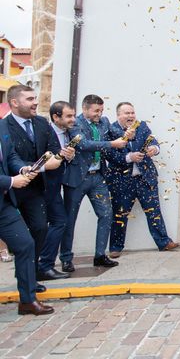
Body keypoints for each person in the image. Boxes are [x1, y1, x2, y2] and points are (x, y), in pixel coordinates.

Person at [2, 85, 64, 293]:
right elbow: (10, 156)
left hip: (34, 188)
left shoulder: (41, 122)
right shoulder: (4, 126)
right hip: (9, 188)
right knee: (20, 238)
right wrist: (26, 171)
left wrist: (60, 156)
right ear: (15, 103)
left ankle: (29, 272)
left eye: (35, 98)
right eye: (29, 99)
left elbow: (53, 148)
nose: (35, 102)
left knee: (40, 228)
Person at [60, 94, 128, 273]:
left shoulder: (104, 122)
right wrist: (112, 144)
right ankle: (66, 258)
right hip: (77, 178)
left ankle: (100, 255)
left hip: (98, 177)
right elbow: (84, 144)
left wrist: (127, 133)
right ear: (85, 109)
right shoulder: (76, 124)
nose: (99, 113)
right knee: (70, 219)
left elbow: (117, 133)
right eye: (96, 110)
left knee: (106, 214)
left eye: (101, 110)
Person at [105, 102, 180, 256]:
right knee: (120, 213)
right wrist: (129, 157)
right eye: (127, 113)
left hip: (145, 178)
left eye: (132, 112)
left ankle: (164, 242)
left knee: (154, 211)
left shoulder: (142, 126)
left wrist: (155, 148)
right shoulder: (111, 131)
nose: (131, 116)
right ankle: (115, 248)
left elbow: (152, 140)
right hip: (122, 181)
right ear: (118, 115)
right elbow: (109, 154)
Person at [0, 120, 54, 315]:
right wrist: (11, 181)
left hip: (3, 205)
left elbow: (10, 154)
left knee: (25, 244)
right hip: (7, 188)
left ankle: (28, 300)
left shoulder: (2, 126)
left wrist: (22, 168)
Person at [38, 101, 77, 281]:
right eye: (68, 116)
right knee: (57, 222)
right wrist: (60, 157)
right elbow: (43, 157)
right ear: (56, 117)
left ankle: (44, 264)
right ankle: (44, 265)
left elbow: (60, 157)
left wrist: (67, 156)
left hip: (55, 186)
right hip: (44, 186)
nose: (73, 119)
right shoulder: (45, 132)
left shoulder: (68, 133)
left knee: (56, 222)